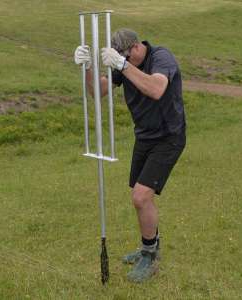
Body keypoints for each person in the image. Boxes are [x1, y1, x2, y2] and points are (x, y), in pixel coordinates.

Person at [74, 28, 186, 283]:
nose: (123, 63)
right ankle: (149, 246)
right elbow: (97, 92)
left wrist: (123, 65)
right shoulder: (124, 64)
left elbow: (156, 89)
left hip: (168, 137)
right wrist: (88, 68)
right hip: (144, 137)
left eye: (126, 57)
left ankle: (150, 256)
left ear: (136, 47)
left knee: (140, 196)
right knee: (139, 196)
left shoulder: (161, 57)